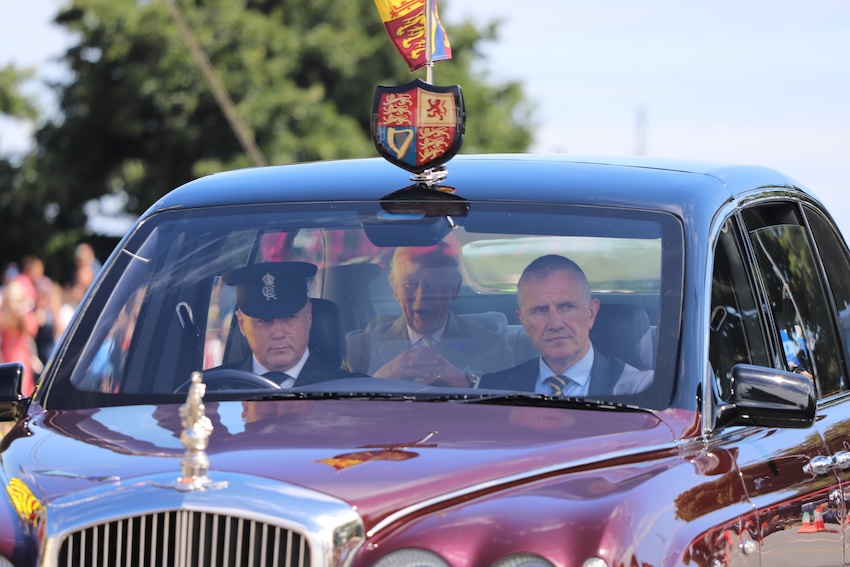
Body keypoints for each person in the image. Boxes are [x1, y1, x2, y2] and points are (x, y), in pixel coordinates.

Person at [480, 254, 652, 396]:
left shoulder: (640, 390)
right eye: (540, 310)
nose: (555, 323)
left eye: (566, 307)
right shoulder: (495, 390)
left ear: (591, 313)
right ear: (523, 321)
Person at [344, 241, 513, 386]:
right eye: (409, 284)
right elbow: (340, 415)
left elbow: (507, 414)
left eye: (433, 284)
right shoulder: (356, 350)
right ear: (395, 289)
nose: (421, 297)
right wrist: (382, 378)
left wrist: (463, 382)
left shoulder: (493, 348)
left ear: (454, 288)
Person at [219, 261, 359, 387]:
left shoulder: (353, 392)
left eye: (290, 317)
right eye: (264, 321)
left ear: (309, 315)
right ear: (242, 324)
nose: (278, 333)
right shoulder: (208, 392)